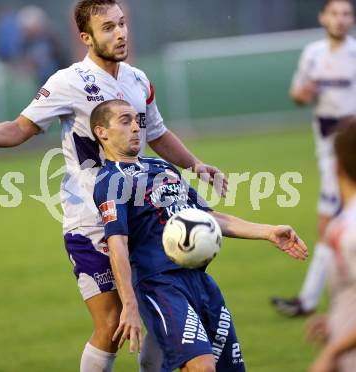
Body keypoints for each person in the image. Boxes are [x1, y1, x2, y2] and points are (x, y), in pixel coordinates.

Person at [0, 1, 227, 371]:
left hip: (141, 219)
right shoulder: (68, 81)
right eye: (108, 27)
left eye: (122, 24)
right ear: (86, 37)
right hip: (90, 222)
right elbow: (20, 127)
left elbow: (156, 133)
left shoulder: (138, 80)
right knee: (111, 325)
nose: (120, 33)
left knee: (160, 323)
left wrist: (195, 164)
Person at [91, 99, 309, 371]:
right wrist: (129, 304)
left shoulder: (163, 167)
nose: (136, 127)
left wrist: (268, 231)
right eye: (125, 121)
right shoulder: (111, 181)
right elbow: (118, 245)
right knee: (202, 367)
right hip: (160, 285)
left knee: (230, 367)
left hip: (201, 282)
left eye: (137, 120)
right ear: (102, 132)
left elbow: (208, 217)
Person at [271, 0, 356, 317]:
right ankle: (311, 299)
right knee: (333, 223)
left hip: (348, 153)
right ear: (324, 17)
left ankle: (308, 300)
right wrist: (302, 94)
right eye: (335, 13)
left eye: (346, 14)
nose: (341, 19)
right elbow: (297, 93)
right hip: (326, 148)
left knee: (328, 223)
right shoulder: (313, 54)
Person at [306, 119, 356, 372]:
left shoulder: (349, 231)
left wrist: (333, 351)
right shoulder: (342, 226)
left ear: (337, 167)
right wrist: (336, 322)